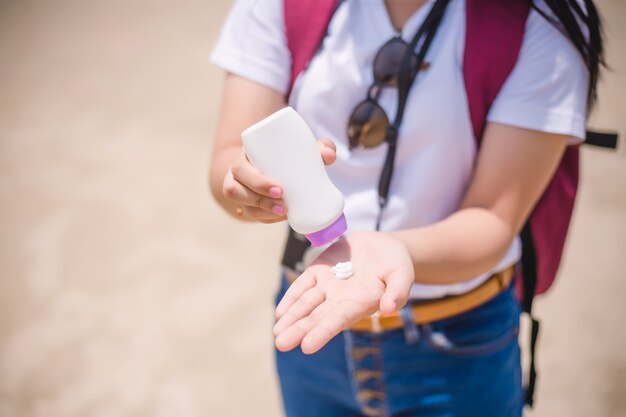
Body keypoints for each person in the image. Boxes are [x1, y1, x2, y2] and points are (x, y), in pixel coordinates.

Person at [208, 0, 605, 415]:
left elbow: (495, 217)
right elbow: (227, 155)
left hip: (459, 347)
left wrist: (397, 250)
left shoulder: (537, 18)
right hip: (311, 326)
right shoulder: (282, 6)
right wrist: (250, 188)